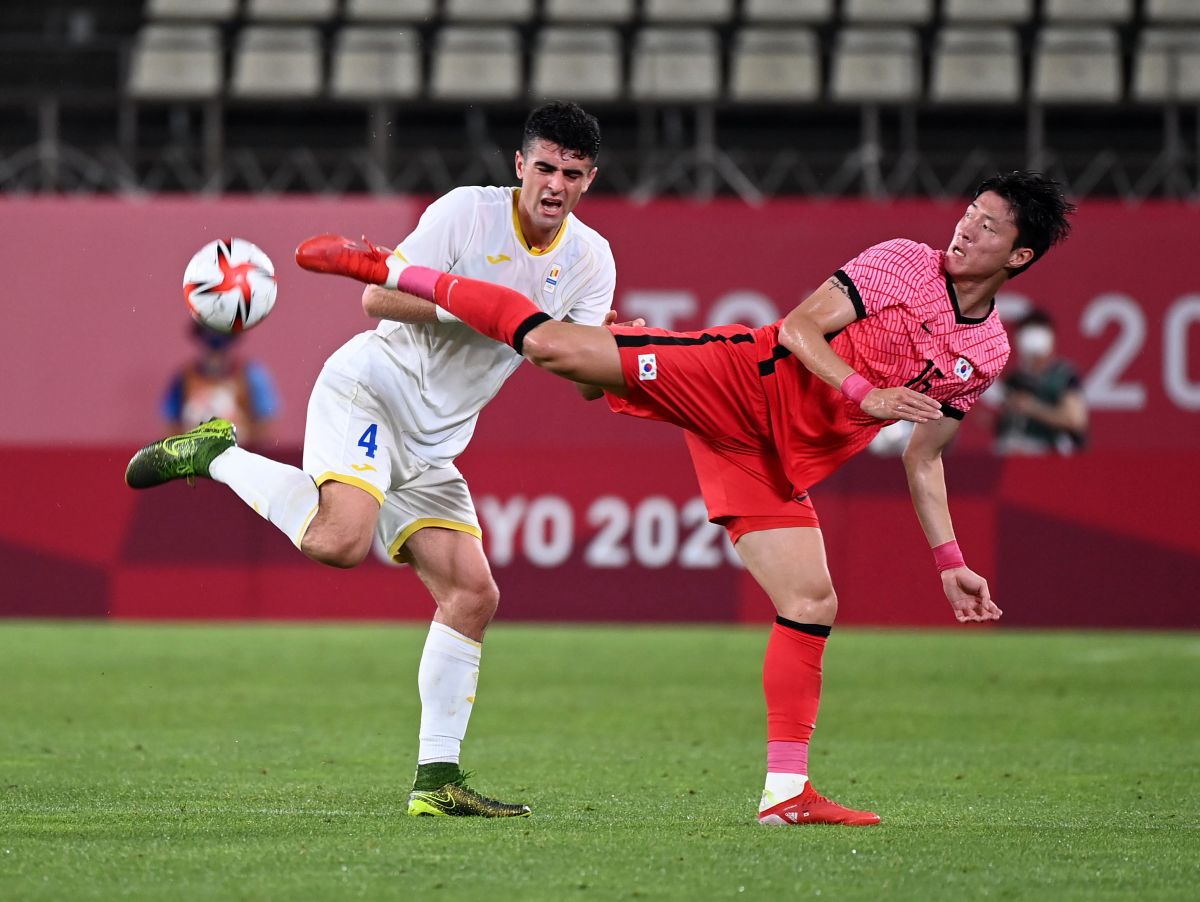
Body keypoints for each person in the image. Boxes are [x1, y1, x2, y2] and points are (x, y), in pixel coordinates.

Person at [291, 171, 1075, 826]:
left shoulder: (987, 351)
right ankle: (390, 269)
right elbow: (803, 328)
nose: (964, 231)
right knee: (558, 345)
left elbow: (927, 460)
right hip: (743, 379)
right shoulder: (906, 263)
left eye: (986, 226)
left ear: (1023, 254)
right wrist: (863, 391)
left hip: (775, 459)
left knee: (812, 599)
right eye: (968, 213)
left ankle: (786, 794)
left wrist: (950, 561)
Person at [126, 101, 618, 818]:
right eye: (543, 167)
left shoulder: (591, 261)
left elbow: (577, 380)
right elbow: (378, 297)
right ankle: (216, 453)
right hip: (372, 391)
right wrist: (482, 306)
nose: (554, 185)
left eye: (571, 174)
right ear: (519, 165)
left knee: (474, 596)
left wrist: (615, 359)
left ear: (588, 179)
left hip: (434, 442)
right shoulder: (466, 215)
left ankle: (435, 782)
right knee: (339, 541)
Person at [162, 321, 279, 447]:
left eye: (222, 340)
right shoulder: (183, 378)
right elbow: (171, 426)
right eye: (210, 340)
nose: (216, 349)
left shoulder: (251, 376)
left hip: (240, 458)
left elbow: (265, 423)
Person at [994, 309, 1088, 455]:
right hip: (1018, 455)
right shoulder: (1014, 378)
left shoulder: (1064, 375)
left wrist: (1031, 407)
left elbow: (1074, 420)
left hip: (1055, 455)